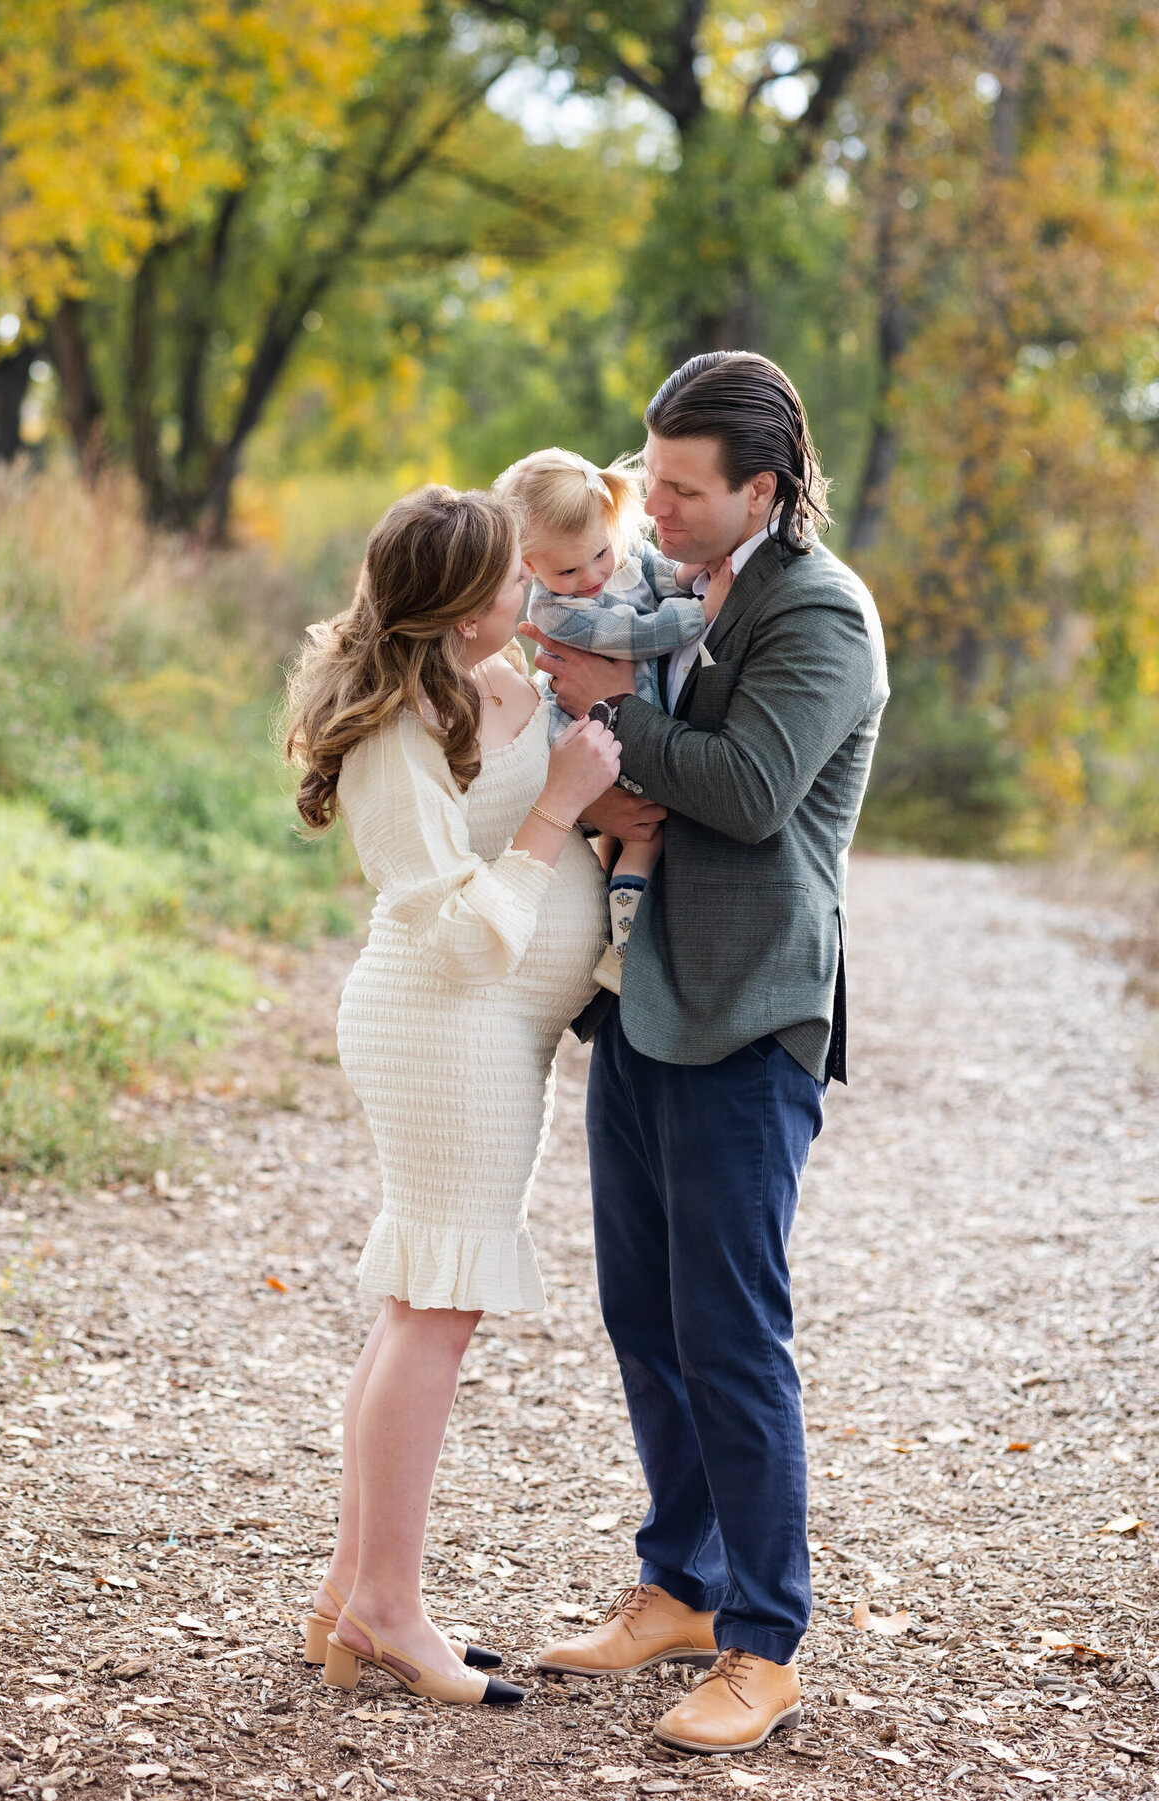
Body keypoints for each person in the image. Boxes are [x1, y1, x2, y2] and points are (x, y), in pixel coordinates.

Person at [523, 352, 889, 1756]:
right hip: (640, 999)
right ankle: (680, 1584)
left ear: (764, 489)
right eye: (651, 476)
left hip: (748, 1009)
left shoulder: (820, 611)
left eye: (682, 488)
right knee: (645, 1314)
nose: (653, 505)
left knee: (732, 1331)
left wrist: (612, 703)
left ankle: (764, 1641)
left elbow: (745, 790)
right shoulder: (666, 585)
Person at [284, 484, 619, 1710]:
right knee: (438, 1310)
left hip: (491, 1033)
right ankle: (388, 1607)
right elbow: (463, 937)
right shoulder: (393, 732)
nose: (533, 585)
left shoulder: (476, 675)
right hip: (441, 1026)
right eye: (513, 575)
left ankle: (351, 1593)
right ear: (467, 605)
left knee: (421, 1304)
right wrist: (559, 806)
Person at [494, 446, 732, 994]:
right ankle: (624, 948)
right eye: (567, 570)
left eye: (600, 553)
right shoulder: (556, 609)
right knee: (643, 834)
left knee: (636, 834)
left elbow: (665, 578)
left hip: (634, 714)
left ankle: (614, 933)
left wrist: (693, 572)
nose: (593, 576)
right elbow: (633, 634)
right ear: (529, 567)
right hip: (592, 729)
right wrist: (701, 612)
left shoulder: (625, 551)